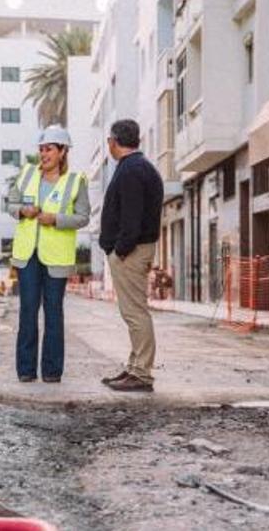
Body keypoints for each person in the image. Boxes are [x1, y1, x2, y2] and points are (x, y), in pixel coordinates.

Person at [5, 126, 90, 383]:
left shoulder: (76, 181)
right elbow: (10, 204)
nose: (44, 154)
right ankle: (26, 370)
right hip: (27, 255)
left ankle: (52, 371)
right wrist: (23, 211)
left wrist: (56, 219)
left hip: (57, 257)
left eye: (49, 149)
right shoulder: (27, 174)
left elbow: (83, 217)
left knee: (53, 312)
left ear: (63, 152)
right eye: (41, 149)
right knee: (28, 310)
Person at [98, 119, 164, 393]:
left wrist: (119, 250)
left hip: (131, 252)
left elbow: (131, 218)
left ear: (114, 141)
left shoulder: (131, 171)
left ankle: (141, 373)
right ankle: (135, 366)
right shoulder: (139, 167)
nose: (108, 146)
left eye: (109, 142)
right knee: (134, 312)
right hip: (133, 250)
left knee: (135, 312)